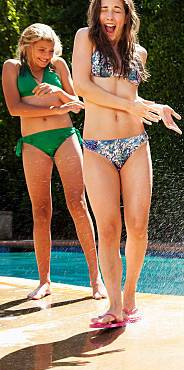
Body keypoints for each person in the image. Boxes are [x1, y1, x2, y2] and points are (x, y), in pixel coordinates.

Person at [72, 0, 181, 328]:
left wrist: (153, 106)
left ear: (127, 15)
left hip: (135, 145)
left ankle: (130, 296)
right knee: (107, 228)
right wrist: (132, 107)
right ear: (96, 13)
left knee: (137, 226)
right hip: (96, 147)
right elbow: (83, 87)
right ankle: (114, 306)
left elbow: (131, 102)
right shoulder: (85, 39)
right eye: (104, 9)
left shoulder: (139, 52)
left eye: (116, 9)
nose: (109, 16)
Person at [2, 23, 107, 300]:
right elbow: (14, 108)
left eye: (50, 50)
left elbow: (76, 102)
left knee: (78, 203)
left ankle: (96, 281)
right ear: (27, 46)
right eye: (41, 50)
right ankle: (44, 281)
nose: (46, 55)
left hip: (64, 136)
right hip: (34, 143)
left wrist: (59, 94)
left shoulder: (58, 65)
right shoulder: (12, 67)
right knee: (41, 210)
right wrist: (54, 107)